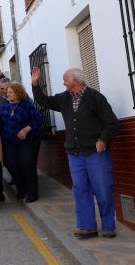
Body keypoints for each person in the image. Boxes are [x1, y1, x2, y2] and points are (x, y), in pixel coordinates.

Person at [31, 67, 118, 239]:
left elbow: (112, 122)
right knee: (80, 190)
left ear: (75, 80)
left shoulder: (95, 98)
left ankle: (108, 226)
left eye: (65, 79)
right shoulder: (64, 98)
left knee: (103, 189)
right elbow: (44, 101)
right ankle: (87, 227)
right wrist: (35, 83)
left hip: (95, 152)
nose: (63, 82)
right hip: (74, 153)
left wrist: (103, 139)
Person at [0, 82, 42, 203]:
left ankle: (32, 192)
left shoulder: (26, 105)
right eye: (7, 92)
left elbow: (38, 119)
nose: (8, 94)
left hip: (27, 141)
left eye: (11, 92)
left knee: (27, 164)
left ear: (18, 92)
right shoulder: (5, 106)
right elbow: (0, 124)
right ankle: (21, 187)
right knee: (11, 164)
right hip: (9, 141)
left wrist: (27, 128)